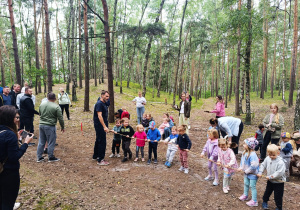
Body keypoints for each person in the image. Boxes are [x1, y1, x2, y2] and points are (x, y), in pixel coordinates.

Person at [0, 105, 33, 209]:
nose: (18, 120)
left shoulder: (4, 132)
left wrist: (18, 139)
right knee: (8, 201)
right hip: (9, 173)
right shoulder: (9, 135)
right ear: (9, 118)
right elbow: (14, 156)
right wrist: (25, 143)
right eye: (17, 117)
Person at [36, 92, 64, 162]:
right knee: (51, 141)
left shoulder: (42, 104)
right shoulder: (56, 106)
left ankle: (39, 157)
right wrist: (62, 127)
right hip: (50, 126)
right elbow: (60, 118)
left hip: (41, 125)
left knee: (41, 141)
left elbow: (40, 113)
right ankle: (50, 156)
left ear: (47, 98)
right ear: (55, 98)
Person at [258, 144, 286, 210]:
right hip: (270, 181)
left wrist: (271, 176)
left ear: (278, 153)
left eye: (273, 155)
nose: (271, 156)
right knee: (267, 192)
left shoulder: (280, 162)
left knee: (278, 196)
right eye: (270, 155)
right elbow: (263, 165)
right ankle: (265, 201)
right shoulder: (268, 158)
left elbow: (279, 172)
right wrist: (260, 172)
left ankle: (279, 207)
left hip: (279, 182)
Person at [238, 137, 259, 207]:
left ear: (250, 146)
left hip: (253, 174)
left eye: (245, 144)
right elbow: (242, 162)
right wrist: (241, 168)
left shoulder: (253, 155)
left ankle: (254, 201)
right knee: (246, 183)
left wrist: (246, 171)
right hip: (246, 173)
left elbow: (254, 166)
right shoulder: (245, 153)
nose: (243, 145)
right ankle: (245, 195)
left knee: (252, 186)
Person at [93, 90, 110, 166]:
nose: (107, 98)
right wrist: (104, 127)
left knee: (98, 139)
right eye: (106, 96)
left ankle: (95, 155)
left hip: (102, 125)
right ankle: (100, 159)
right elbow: (100, 116)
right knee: (102, 141)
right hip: (100, 125)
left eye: (108, 96)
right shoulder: (99, 104)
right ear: (102, 95)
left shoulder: (104, 103)